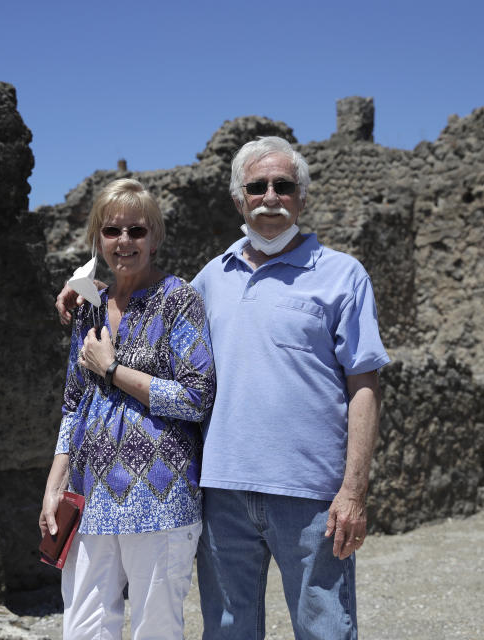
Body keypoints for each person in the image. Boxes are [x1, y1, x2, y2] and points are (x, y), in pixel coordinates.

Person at [57, 137, 388, 639]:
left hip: (311, 493)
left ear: (302, 196)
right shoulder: (214, 277)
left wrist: (354, 491)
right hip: (224, 492)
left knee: (325, 629)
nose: (270, 196)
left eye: (283, 185)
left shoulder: (344, 276)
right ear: (239, 199)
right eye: (256, 186)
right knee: (228, 630)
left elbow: (364, 384)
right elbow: (145, 294)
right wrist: (89, 289)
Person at [40, 178, 216, 639]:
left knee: (155, 628)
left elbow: (197, 397)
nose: (125, 242)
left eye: (137, 231)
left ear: (155, 238)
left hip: (158, 498)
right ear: (97, 239)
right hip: (90, 493)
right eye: (112, 231)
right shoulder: (89, 307)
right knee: (84, 627)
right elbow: (74, 403)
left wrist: (113, 369)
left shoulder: (179, 301)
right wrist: (54, 485)